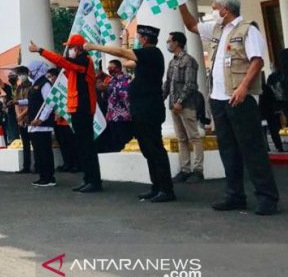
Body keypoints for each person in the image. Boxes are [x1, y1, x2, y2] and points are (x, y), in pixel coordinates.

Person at [180, 0, 279, 215]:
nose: (212, 11)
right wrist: (180, 2)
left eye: (215, 7)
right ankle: (235, 195)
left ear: (226, 9)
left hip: (239, 98)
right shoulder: (216, 30)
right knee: (228, 149)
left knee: (252, 148)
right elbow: (191, 25)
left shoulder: (247, 30)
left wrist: (244, 87)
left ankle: (267, 197)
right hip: (219, 99)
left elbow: (257, 61)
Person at [86, 25, 176, 203]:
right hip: (141, 109)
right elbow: (128, 62)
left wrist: (96, 47)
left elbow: (122, 54)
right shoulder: (145, 56)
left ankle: (166, 189)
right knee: (147, 149)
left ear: (144, 39)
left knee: (154, 148)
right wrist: (125, 41)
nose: (138, 39)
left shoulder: (152, 53)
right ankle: (156, 186)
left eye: (139, 36)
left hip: (149, 109)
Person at [29, 35, 102, 193]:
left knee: (87, 147)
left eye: (70, 48)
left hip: (83, 108)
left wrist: (40, 51)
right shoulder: (78, 62)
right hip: (77, 108)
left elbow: (62, 61)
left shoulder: (84, 60)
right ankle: (88, 179)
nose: (68, 51)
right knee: (82, 146)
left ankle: (94, 181)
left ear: (78, 48)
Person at [163, 31, 204, 183]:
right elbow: (167, 83)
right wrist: (162, 97)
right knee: (181, 138)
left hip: (186, 105)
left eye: (170, 41)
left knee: (194, 136)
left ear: (177, 43)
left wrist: (180, 100)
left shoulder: (189, 61)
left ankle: (198, 169)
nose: (168, 44)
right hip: (174, 105)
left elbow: (190, 84)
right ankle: (185, 169)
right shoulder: (172, 62)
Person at [26, 61, 57, 187]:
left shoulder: (44, 84)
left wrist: (41, 119)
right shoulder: (35, 84)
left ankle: (49, 177)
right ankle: (43, 176)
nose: (29, 73)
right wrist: (18, 102)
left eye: (30, 70)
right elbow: (33, 100)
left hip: (42, 125)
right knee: (39, 152)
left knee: (44, 151)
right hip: (34, 125)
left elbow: (49, 103)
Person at [104, 60, 133, 152]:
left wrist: (108, 88)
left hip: (123, 117)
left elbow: (125, 95)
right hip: (112, 116)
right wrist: (108, 112)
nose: (109, 69)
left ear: (118, 68)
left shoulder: (125, 79)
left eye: (111, 67)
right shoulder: (111, 80)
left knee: (124, 142)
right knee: (115, 143)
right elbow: (110, 99)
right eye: (108, 68)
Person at [0, 58, 19, 144]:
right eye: (9, 77)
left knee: (22, 131)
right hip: (11, 111)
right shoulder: (8, 88)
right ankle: (14, 143)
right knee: (12, 131)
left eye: (12, 77)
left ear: (17, 78)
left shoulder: (20, 88)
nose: (11, 78)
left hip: (21, 111)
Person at [13, 66, 33, 173]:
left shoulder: (32, 86)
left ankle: (38, 166)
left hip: (30, 117)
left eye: (22, 73)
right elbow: (16, 103)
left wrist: (22, 115)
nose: (21, 76)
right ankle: (26, 167)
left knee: (34, 143)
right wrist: (19, 117)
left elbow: (32, 103)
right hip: (21, 119)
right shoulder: (18, 87)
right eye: (19, 74)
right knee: (25, 144)